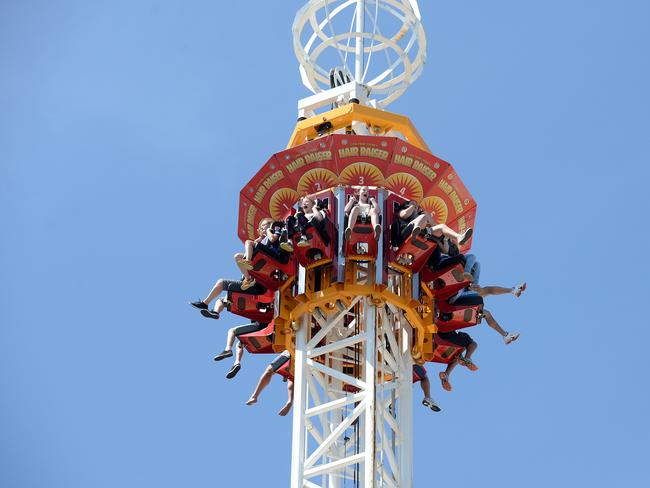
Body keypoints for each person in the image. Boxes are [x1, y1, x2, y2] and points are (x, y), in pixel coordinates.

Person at [235, 218, 292, 290]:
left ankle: (248, 260)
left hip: (275, 254)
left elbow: (272, 239)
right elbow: (256, 246)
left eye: (263, 225)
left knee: (248, 242)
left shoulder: (275, 229)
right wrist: (260, 238)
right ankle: (248, 279)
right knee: (237, 257)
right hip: (264, 254)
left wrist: (268, 231)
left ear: (269, 224)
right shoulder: (263, 239)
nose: (261, 228)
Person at [391, 200, 473, 248]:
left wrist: (429, 217)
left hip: (420, 231)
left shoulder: (421, 216)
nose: (416, 205)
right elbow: (404, 215)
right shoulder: (402, 210)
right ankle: (414, 234)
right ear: (407, 204)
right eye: (413, 203)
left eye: (417, 205)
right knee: (422, 218)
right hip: (405, 232)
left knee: (441, 227)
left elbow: (434, 227)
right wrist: (412, 206)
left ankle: (459, 237)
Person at [189, 277, 267, 320]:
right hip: (251, 291)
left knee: (221, 282)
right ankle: (215, 312)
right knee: (220, 300)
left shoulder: (248, 257)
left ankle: (204, 304)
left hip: (254, 288)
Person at [246, 350, 294, 416]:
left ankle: (255, 396)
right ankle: (290, 401)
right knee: (292, 376)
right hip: (297, 351)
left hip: (292, 351)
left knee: (270, 370)